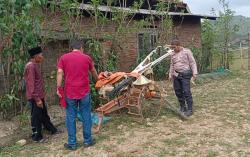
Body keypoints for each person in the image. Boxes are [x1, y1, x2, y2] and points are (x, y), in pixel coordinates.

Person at [57, 40, 98, 150]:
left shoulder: (64, 58)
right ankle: (87, 141)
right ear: (81, 48)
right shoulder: (86, 58)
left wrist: (58, 87)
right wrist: (98, 81)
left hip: (70, 92)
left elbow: (60, 72)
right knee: (86, 116)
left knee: (71, 117)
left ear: (72, 48)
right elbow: (93, 71)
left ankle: (72, 143)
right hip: (84, 91)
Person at [24, 46, 60, 142]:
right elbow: (31, 84)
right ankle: (37, 137)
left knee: (43, 114)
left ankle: (51, 129)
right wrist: (37, 99)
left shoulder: (35, 64)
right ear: (35, 56)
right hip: (35, 97)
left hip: (39, 95)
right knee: (36, 117)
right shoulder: (30, 66)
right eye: (41, 55)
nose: (42, 57)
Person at [169, 39, 198, 117]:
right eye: (172, 48)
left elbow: (192, 62)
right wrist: (170, 74)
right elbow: (172, 65)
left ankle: (190, 109)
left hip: (185, 74)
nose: (173, 49)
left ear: (178, 45)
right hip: (176, 75)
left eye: (174, 47)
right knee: (177, 91)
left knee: (186, 91)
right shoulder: (172, 54)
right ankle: (182, 106)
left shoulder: (187, 52)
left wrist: (194, 73)